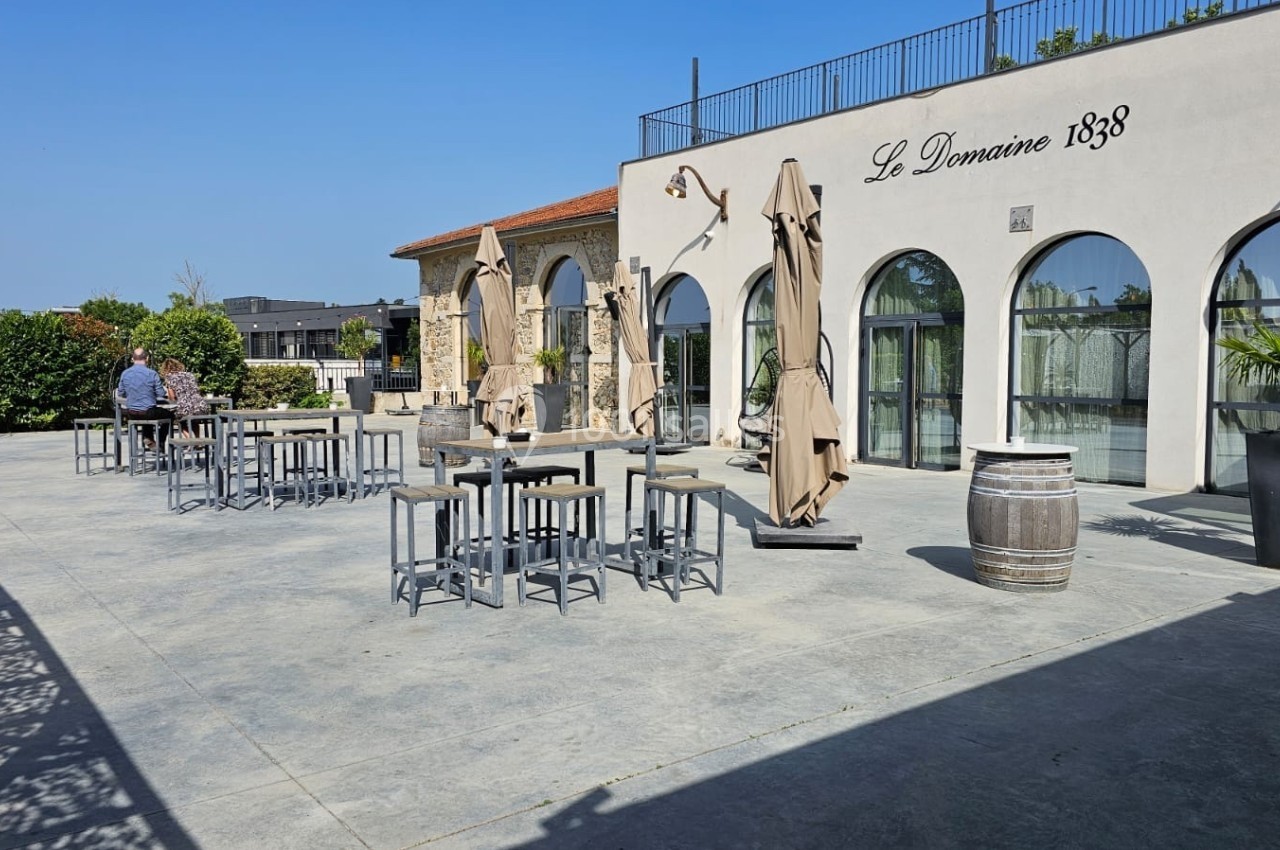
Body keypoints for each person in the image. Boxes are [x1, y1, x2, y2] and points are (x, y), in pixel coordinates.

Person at [117, 348, 174, 451]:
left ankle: (149, 438)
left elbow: (121, 393)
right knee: (169, 415)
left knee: (145, 413)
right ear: (147, 358)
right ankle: (160, 444)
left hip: (131, 413)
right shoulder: (152, 374)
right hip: (148, 412)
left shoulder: (125, 373)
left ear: (132, 359)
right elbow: (161, 393)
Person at [158, 357, 210, 438]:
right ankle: (198, 440)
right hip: (201, 406)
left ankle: (190, 439)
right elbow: (196, 390)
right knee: (194, 421)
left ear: (165, 369)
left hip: (185, 409)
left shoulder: (170, 377)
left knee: (177, 420)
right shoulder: (189, 375)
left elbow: (172, 398)